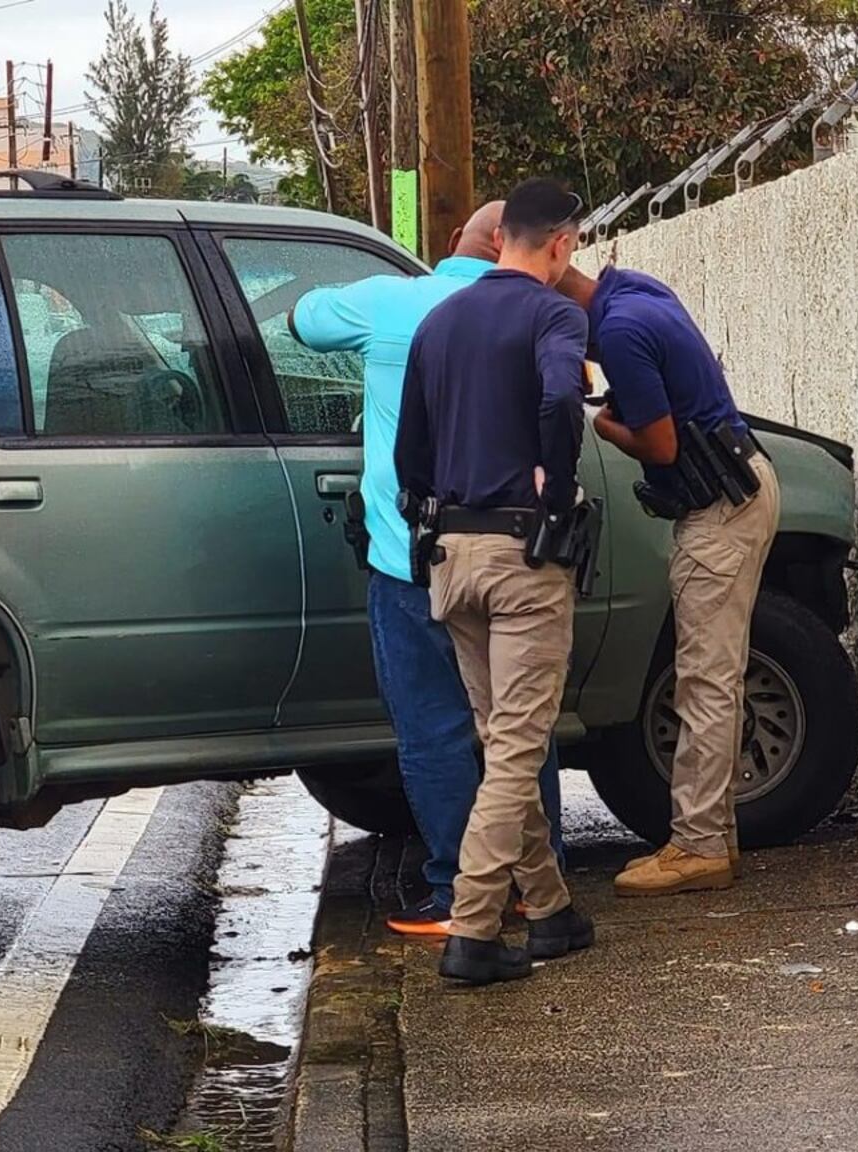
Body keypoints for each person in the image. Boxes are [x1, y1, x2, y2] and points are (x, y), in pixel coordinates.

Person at [290, 203, 566, 939]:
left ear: (453, 246)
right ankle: (537, 888)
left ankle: (454, 890)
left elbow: (303, 321)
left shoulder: (394, 302)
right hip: (513, 551)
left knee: (435, 732)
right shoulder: (542, 312)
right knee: (518, 729)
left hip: (412, 558)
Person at [395, 179, 597, 986]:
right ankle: (475, 928)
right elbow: (560, 393)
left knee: (502, 734)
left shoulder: (439, 321)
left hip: (451, 557)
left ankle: (548, 910)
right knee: (518, 744)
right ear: (560, 243)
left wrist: (428, 507)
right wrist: (555, 478)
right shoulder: (556, 315)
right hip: (522, 557)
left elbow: (410, 449)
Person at [556, 261, 781, 897]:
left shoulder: (621, 332)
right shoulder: (634, 290)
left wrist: (602, 422)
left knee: (704, 679)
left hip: (717, 508)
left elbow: (659, 446)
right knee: (718, 674)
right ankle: (716, 834)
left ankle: (698, 846)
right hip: (740, 487)